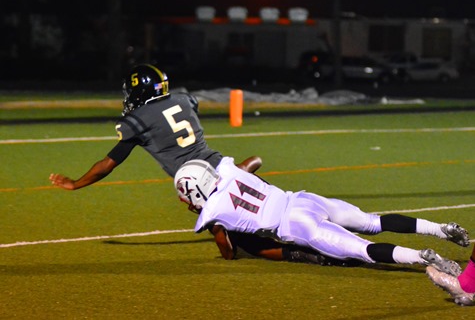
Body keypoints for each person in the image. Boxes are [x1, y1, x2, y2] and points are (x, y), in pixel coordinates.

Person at [48, 63, 331, 265]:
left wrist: (75, 183)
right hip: (227, 168)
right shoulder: (184, 100)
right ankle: (329, 238)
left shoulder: (137, 121)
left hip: (202, 186)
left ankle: (309, 255)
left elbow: (108, 163)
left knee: (243, 248)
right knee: (285, 215)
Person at [174, 157, 470, 276]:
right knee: (372, 221)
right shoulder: (227, 169)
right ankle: (440, 229)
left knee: (363, 250)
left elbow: (227, 251)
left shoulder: (212, 214)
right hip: (304, 199)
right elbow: (254, 161)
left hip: (296, 226)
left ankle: (422, 256)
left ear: (195, 192)